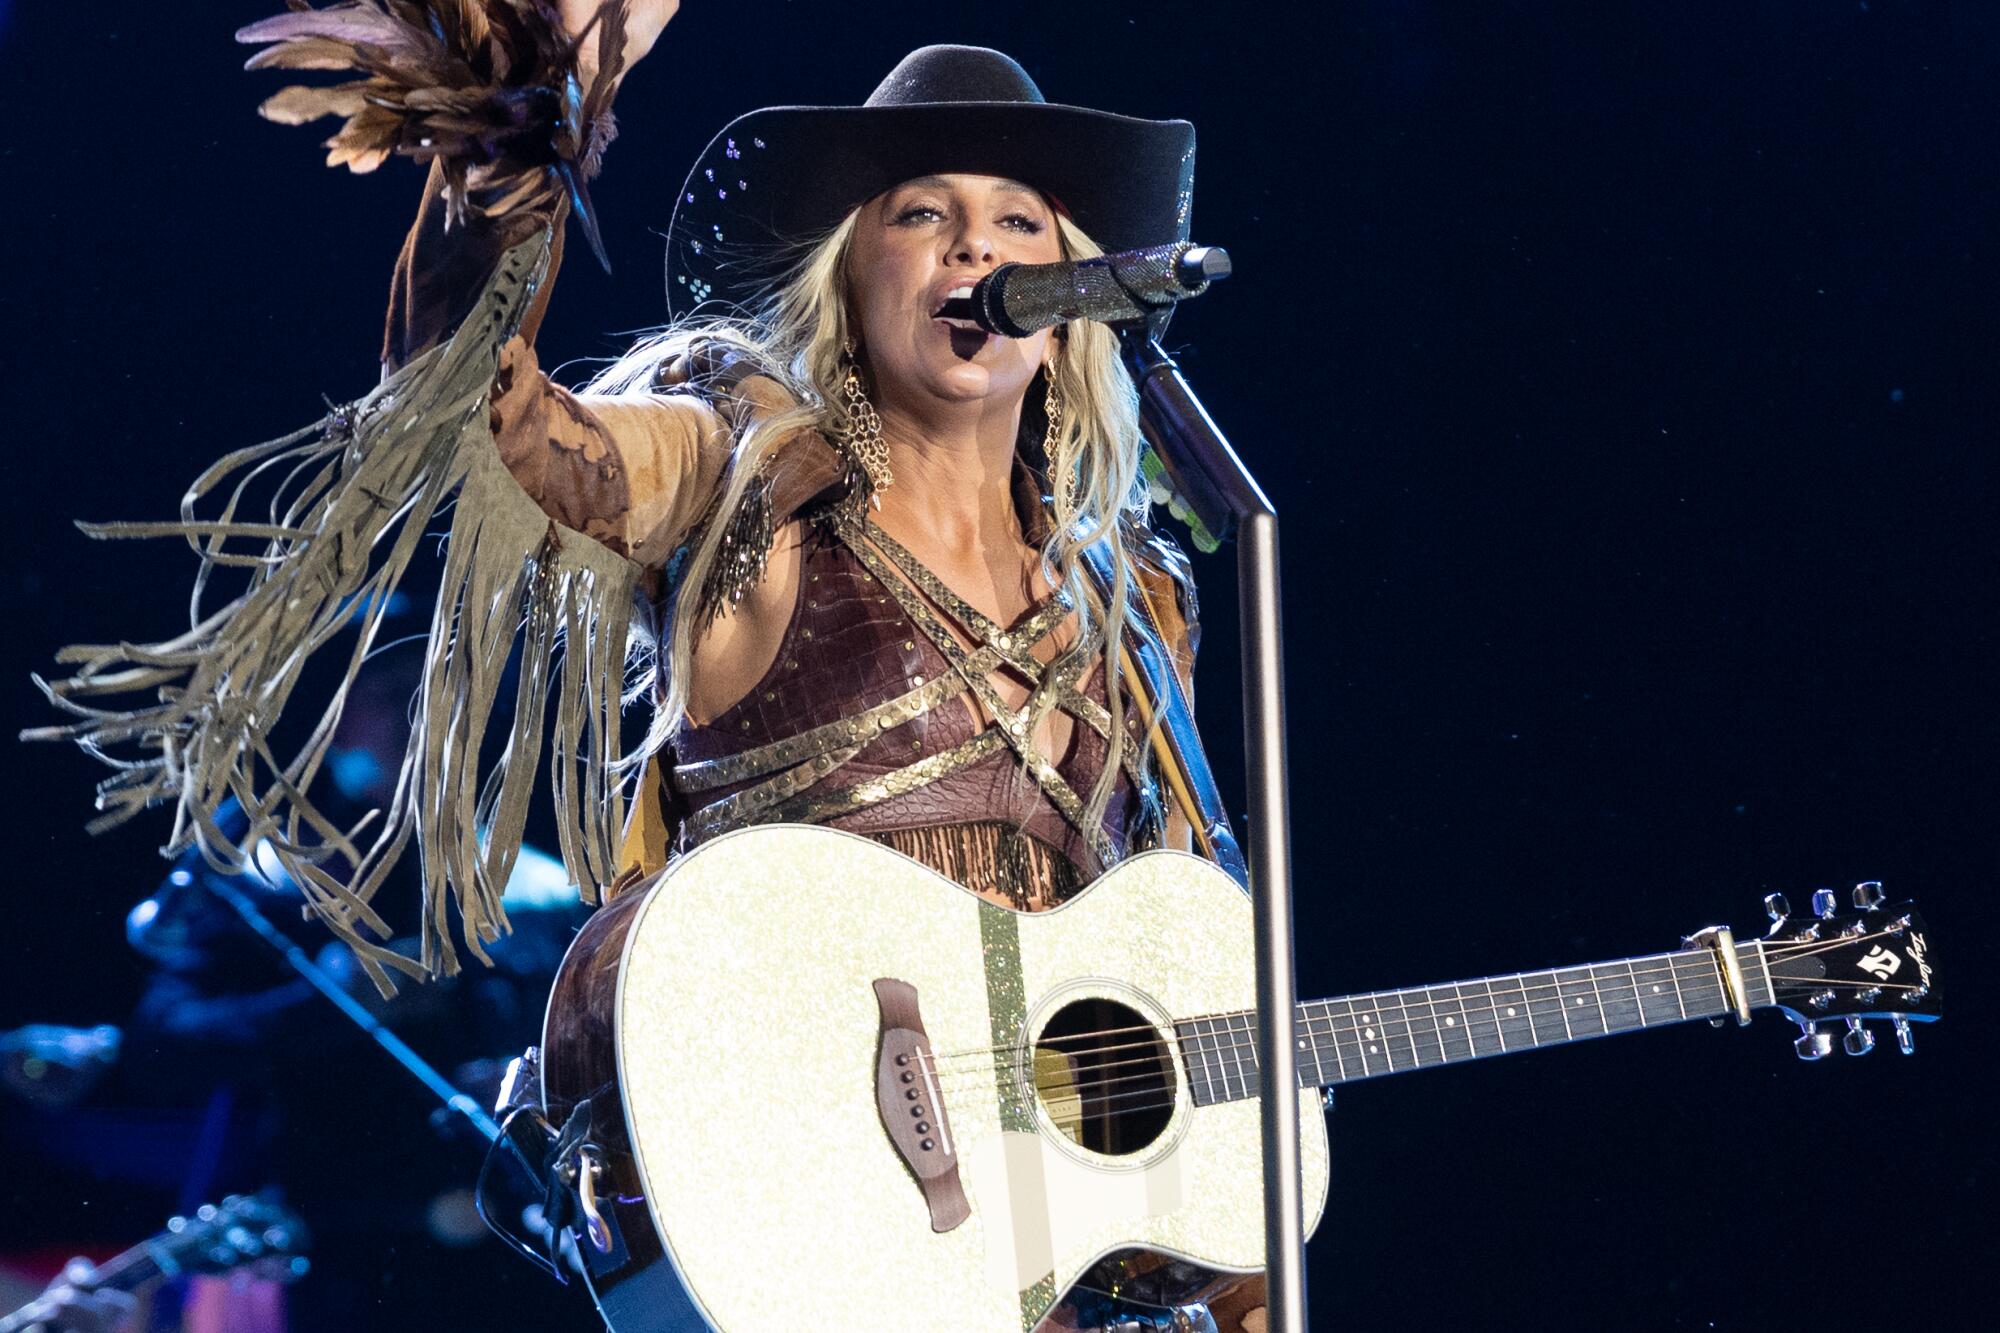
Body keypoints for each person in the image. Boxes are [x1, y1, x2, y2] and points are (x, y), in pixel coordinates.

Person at [33, 2, 1260, 1328]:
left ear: (1075, 295)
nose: (979, 246)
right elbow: (481, 418)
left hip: (1053, 1242)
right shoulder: (744, 478)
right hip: (809, 1210)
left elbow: (1170, 946)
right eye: (925, 213)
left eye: (1020, 221)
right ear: (848, 273)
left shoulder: (1131, 599)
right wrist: (498, 172)